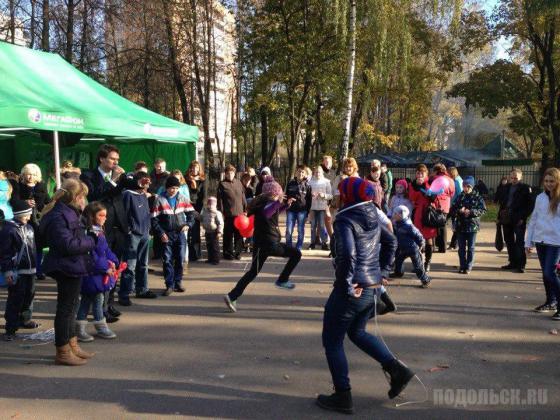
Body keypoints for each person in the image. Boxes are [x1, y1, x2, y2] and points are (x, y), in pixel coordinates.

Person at [316, 177, 414, 414]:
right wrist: (381, 273)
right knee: (357, 332)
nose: (338, 196)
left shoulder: (346, 219)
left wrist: (346, 284)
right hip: (371, 288)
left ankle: (343, 395)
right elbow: (391, 241)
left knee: (332, 341)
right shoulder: (371, 212)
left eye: (341, 192)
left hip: (353, 289)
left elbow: (348, 255)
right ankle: (397, 370)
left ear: (349, 196)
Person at [224, 177, 302, 312]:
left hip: (262, 243)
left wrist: (284, 205)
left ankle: (232, 296)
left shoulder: (264, 202)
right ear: (274, 193)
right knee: (296, 253)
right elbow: (267, 212)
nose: (280, 194)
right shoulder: (268, 203)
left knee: (253, 272)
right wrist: (278, 203)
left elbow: (270, 213)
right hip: (269, 243)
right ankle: (282, 279)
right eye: (278, 192)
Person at [40, 178, 96, 366]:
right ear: (76, 197)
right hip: (66, 266)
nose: (84, 201)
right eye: (83, 197)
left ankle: (71, 344)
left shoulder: (69, 212)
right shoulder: (59, 216)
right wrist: (91, 240)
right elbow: (66, 244)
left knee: (71, 307)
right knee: (66, 309)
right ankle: (62, 350)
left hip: (73, 265)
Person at [80, 144, 128, 323]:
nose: (116, 162)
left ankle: (109, 304)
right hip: (101, 228)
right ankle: (100, 309)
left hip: (119, 227)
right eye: (112, 159)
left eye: (117, 159)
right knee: (103, 266)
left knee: (115, 266)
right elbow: (94, 197)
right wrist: (113, 180)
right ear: (102, 159)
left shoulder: (120, 176)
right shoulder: (89, 176)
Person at [76, 202, 119, 341]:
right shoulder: (89, 232)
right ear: (92, 216)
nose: (104, 218)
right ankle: (99, 325)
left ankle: (82, 327)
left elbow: (105, 250)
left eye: (105, 215)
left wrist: (114, 261)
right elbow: (91, 255)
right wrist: (106, 266)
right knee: (94, 299)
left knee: (92, 299)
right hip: (92, 272)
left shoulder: (98, 230)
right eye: (101, 215)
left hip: (98, 271)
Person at [1, 200, 38, 341]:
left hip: (30, 269)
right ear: (18, 215)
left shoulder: (29, 227)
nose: (28, 217)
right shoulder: (9, 229)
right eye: (26, 215)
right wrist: (8, 271)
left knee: (29, 295)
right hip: (18, 270)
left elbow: (33, 247)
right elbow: (5, 252)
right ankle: (10, 328)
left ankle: (24, 319)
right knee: (15, 298)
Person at [151, 176, 195, 296]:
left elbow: (191, 214)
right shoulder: (159, 199)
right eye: (171, 188)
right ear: (167, 188)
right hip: (166, 234)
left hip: (180, 233)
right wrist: (161, 233)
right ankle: (169, 285)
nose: (174, 190)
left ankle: (178, 282)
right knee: (167, 260)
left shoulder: (183, 198)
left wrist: (188, 225)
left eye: (176, 188)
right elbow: (154, 220)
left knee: (180, 259)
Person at [525, 167, 560, 319]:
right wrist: (528, 242)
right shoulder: (540, 197)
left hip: (556, 242)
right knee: (545, 275)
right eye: (546, 181)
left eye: (552, 181)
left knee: (550, 273)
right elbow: (533, 220)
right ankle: (550, 301)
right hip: (541, 240)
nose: (549, 184)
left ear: (558, 181)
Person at [118, 171, 157, 306]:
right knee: (130, 265)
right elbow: (124, 214)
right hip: (133, 234)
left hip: (145, 233)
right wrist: (129, 230)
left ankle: (142, 289)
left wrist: (149, 229)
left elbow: (147, 214)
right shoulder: (128, 194)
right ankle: (124, 293)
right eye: (144, 181)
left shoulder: (143, 195)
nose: (147, 183)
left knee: (143, 264)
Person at [10, 164, 50, 280]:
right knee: (23, 245)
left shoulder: (42, 186)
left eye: (33, 174)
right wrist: (25, 202)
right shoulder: (18, 186)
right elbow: (14, 200)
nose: (30, 177)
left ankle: (38, 270)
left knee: (38, 246)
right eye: (28, 174)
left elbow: (47, 201)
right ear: (23, 174)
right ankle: (25, 269)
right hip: (23, 219)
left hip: (38, 220)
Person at [497, 168, 533, 273]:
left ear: (521, 177)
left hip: (518, 219)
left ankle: (521, 264)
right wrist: (499, 217)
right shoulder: (506, 187)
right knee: (509, 241)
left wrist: (523, 217)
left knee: (519, 242)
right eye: (512, 177)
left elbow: (530, 206)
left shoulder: (526, 188)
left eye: (516, 177)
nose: (514, 179)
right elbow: (502, 203)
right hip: (506, 218)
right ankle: (512, 262)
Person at [450, 176, 487, 274]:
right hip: (460, 226)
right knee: (461, 248)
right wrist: (459, 210)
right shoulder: (460, 196)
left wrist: (471, 212)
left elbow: (483, 210)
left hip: (472, 226)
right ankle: (462, 265)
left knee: (470, 248)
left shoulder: (477, 196)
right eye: (464, 186)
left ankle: (469, 266)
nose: (465, 188)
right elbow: (452, 209)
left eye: (468, 186)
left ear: (472, 186)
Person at [389, 205, 430, 287]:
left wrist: (422, 243)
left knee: (418, 266)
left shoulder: (409, 226)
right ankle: (398, 273)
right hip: (403, 249)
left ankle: (425, 280)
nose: (394, 215)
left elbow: (418, 235)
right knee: (398, 261)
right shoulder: (398, 224)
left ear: (402, 215)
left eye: (396, 214)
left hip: (413, 249)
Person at [408, 164, 437, 273]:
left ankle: (427, 263)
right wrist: (418, 187)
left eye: (422, 173)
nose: (420, 175)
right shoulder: (412, 184)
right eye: (418, 173)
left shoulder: (430, 183)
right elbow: (412, 198)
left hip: (428, 213)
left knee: (428, 238)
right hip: (417, 214)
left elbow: (433, 198)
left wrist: (425, 187)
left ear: (426, 174)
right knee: (416, 239)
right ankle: (418, 263)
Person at [217, 165, 247, 260]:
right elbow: (220, 200)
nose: (230, 174)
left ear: (234, 173)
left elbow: (243, 197)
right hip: (228, 214)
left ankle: (238, 253)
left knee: (239, 235)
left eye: (232, 173)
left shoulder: (239, 183)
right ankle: (227, 253)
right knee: (228, 235)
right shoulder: (222, 184)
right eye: (228, 173)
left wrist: (246, 209)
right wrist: (221, 213)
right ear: (225, 174)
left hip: (240, 213)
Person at [285, 165, 312, 251]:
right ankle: (288, 248)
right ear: (296, 172)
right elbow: (285, 196)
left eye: (302, 172)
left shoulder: (308, 186)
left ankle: (298, 247)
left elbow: (309, 201)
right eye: (299, 171)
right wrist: (286, 202)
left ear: (305, 174)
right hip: (291, 210)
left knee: (300, 230)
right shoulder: (290, 183)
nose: (300, 173)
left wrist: (307, 213)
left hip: (302, 211)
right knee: (289, 231)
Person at [431, 163, 455, 253]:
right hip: (446, 204)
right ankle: (443, 247)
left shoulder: (433, 179)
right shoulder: (450, 180)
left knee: (433, 224)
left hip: (435, 203)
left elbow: (431, 191)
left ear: (436, 171)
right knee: (443, 224)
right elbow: (452, 193)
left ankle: (433, 245)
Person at [308, 166, 332, 250]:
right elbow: (306, 195)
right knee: (313, 225)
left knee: (321, 226)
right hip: (312, 208)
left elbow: (330, 196)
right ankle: (312, 243)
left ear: (322, 173)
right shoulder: (310, 182)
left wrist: (323, 195)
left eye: (319, 172)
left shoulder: (326, 182)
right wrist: (310, 195)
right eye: (316, 172)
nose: (318, 174)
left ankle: (324, 243)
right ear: (314, 173)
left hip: (322, 208)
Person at [185, 161, 205, 261]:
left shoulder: (202, 180)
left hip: (197, 207)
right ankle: (187, 253)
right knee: (187, 231)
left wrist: (199, 211)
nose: (194, 170)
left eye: (196, 168)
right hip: (187, 207)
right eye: (193, 168)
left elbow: (203, 197)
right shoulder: (185, 179)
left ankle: (196, 254)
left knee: (196, 232)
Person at [201, 196, 224, 265]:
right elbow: (202, 218)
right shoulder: (204, 212)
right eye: (209, 204)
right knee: (209, 245)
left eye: (212, 204)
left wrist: (219, 232)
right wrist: (196, 214)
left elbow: (220, 223)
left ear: (215, 205)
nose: (210, 205)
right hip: (207, 231)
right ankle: (210, 258)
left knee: (215, 247)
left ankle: (216, 259)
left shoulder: (217, 213)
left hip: (214, 232)